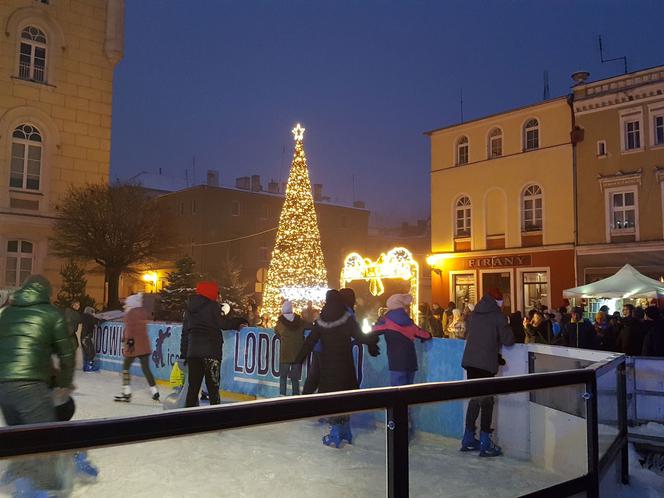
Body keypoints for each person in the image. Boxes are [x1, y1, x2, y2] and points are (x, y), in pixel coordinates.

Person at [0, 275, 76, 494]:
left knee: (18, 435)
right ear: (46, 293)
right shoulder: (51, 313)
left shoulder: (7, 313)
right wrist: (63, 383)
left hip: (3, 384)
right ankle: (46, 487)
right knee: (44, 439)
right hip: (30, 385)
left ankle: (18, 475)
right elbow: (67, 355)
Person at [295, 290, 380, 448]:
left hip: (329, 367)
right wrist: (372, 343)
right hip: (345, 365)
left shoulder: (321, 321)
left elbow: (310, 341)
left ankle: (335, 435)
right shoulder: (347, 318)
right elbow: (360, 336)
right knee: (344, 399)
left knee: (333, 401)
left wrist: (299, 359)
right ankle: (346, 432)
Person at [460, 288, 514, 457]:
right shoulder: (498, 316)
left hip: (470, 363)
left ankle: (468, 438)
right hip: (484, 365)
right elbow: (509, 340)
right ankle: (485, 441)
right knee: (487, 402)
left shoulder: (474, 314)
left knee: (475, 399)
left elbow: (477, 337)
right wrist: (507, 323)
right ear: (498, 302)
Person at [372, 294, 431, 388]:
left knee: (397, 391)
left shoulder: (386, 321)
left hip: (396, 362)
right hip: (410, 361)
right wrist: (429, 335)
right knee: (408, 390)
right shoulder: (408, 321)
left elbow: (372, 331)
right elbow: (424, 335)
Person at [181, 281, 225, 407]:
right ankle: (215, 420)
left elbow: (185, 333)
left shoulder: (189, 309)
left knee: (193, 389)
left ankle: (189, 418)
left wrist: (184, 354)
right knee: (213, 390)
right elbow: (223, 324)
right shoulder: (214, 306)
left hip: (193, 353)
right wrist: (240, 321)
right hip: (211, 352)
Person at [114, 293, 160, 402]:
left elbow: (130, 332)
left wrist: (128, 348)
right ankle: (155, 391)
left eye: (127, 304)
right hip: (144, 346)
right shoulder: (143, 313)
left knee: (125, 368)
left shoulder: (130, 314)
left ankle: (126, 392)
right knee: (146, 369)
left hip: (133, 346)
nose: (126, 306)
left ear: (132, 304)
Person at [274, 301, 306, 396]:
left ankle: (282, 395)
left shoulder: (280, 322)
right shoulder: (300, 321)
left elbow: (276, 331)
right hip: (297, 353)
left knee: (283, 376)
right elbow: (308, 327)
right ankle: (295, 395)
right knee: (295, 378)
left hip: (286, 353)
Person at [80, 306, 101, 372]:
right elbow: (97, 321)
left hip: (83, 337)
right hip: (87, 337)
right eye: (93, 312)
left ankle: (85, 367)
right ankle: (89, 367)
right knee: (91, 353)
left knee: (86, 353)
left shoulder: (83, 317)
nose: (94, 314)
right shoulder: (89, 317)